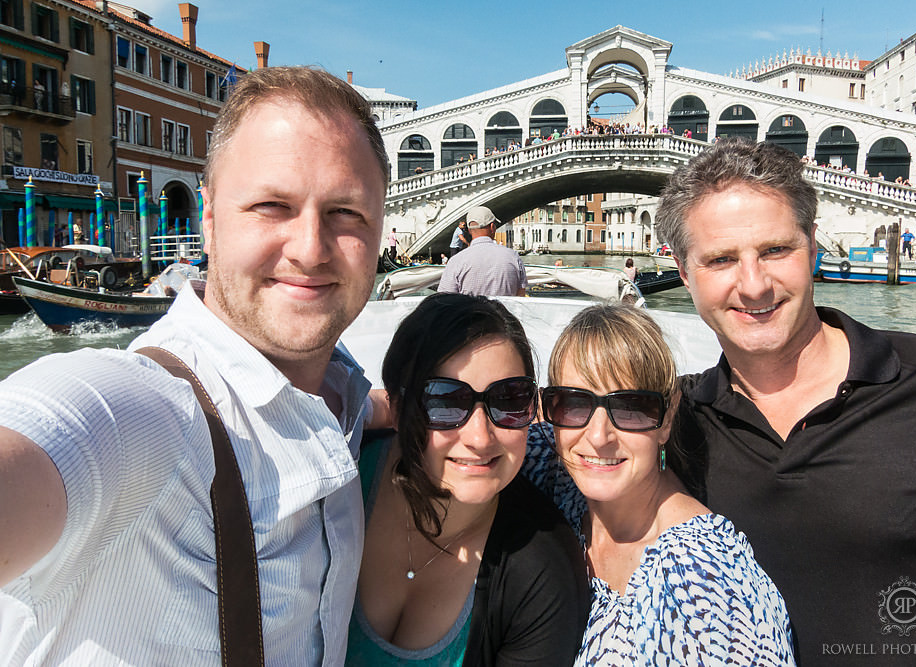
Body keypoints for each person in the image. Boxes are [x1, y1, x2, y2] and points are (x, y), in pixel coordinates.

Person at [0, 66, 390, 664]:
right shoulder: (140, 412)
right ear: (208, 219)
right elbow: (50, 435)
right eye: (270, 205)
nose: (311, 248)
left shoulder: (342, 398)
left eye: (346, 212)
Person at [656, 139, 916, 665]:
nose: (753, 285)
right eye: (721, 259)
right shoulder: (676, 423)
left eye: (775, 251)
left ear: (813, 246)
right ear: (684, 271)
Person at [523, 304, 794, 665]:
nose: (598, 437)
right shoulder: (559, 476)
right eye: (573, 403)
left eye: (631, 407)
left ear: (666, 418)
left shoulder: (705, 586)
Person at [346, 293, 588, 665]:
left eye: (508, 400)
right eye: (444, 401)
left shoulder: (543, 573)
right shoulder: (339, 481)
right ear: (397, 409)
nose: (480, 438)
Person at [438, 206, 527, 297]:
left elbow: (445, 299)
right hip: (504, 311)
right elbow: (520, 296)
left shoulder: (455, 261)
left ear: (469, 230)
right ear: (492, 227)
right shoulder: (514, 257)